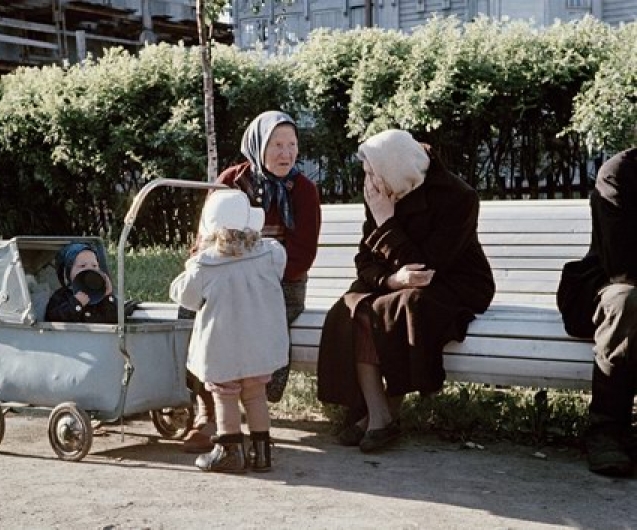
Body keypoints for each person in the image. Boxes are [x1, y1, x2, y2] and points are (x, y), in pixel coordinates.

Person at [317, 129, 495, 453]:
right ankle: (378, 412)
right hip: (397, 280)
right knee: (352, 307)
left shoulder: (458, 196)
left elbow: (426, 268)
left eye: (373, 172)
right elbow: (364, 260)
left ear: (394, 168)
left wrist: (386, 221)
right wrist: (390, 281)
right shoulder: (381, 192)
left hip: (454, 282)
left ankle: (382, 415)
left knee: (399, 307)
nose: (369, 182)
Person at [180, 110, 322, 454]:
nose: (286, 153)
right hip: (225, 276)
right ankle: (207, 411)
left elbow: (302, 255)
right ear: (258, 145)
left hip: (279, 282)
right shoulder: (231, 180)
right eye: (277, 145)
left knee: (250, 320)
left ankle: (250, 409)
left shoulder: (304, 191)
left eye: (292, 145)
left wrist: (254, 275)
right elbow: (205, 237)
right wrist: (222, 271)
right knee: (194, 318)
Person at [170, 189, 289, 473]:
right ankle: (261, 453)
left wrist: (193, 260)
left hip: (222, 346)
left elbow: (185, 296)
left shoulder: (205, 265)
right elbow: (279, 274)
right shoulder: (271, 253)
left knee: (225, 394)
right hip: (259, 342)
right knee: (255, 393)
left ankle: (230, 451)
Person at [556, 147, 637, 477]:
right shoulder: (618, 173)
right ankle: (607, 431)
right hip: (610, 282)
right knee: (626, 301)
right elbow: (621, 264)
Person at [45, 242, 118, 324]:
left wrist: (108, 296)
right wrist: (76, 303)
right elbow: (53, 319)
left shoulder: (102, 297)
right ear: (69, 271)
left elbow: (116, 320)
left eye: (94, 266)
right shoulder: (61, 296)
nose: (89, 269)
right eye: (82, 266)